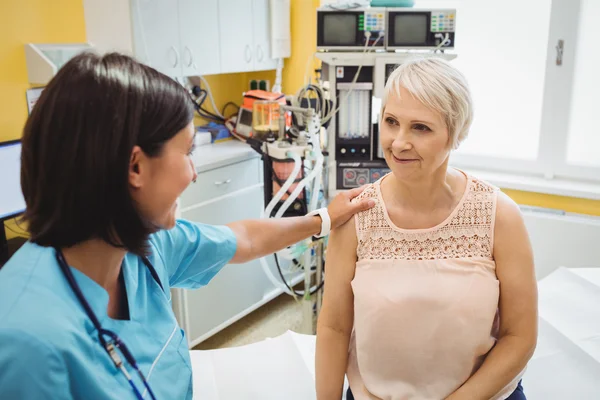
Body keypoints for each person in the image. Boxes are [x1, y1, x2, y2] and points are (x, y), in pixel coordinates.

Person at [0, 52, 374, 399]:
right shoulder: (28, 341)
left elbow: (242, 239)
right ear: (135, 167)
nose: (194, 173)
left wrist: (323, 219)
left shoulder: (143, 245)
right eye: (189, 152)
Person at [315, 57, 538, 400]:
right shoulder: (357, 216)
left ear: (457, 133)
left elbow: (519, 336)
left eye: (421, 127)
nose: (399, 142)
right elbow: (334, 327)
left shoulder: (498, 216)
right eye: (391, 122)